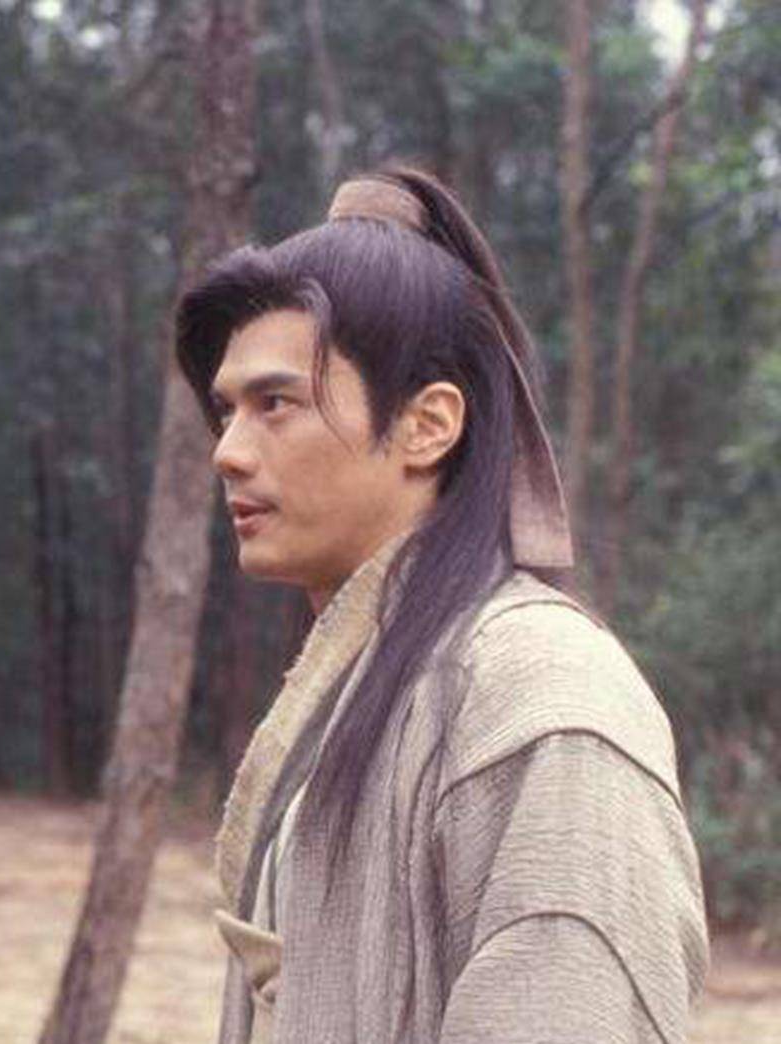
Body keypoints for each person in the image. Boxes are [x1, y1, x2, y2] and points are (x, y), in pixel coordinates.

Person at [175, 166, 707, 1043]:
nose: (227, 452)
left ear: (428, 425)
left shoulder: (541, 694)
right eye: (225, 411)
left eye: (275, 403)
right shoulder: (374, 676)